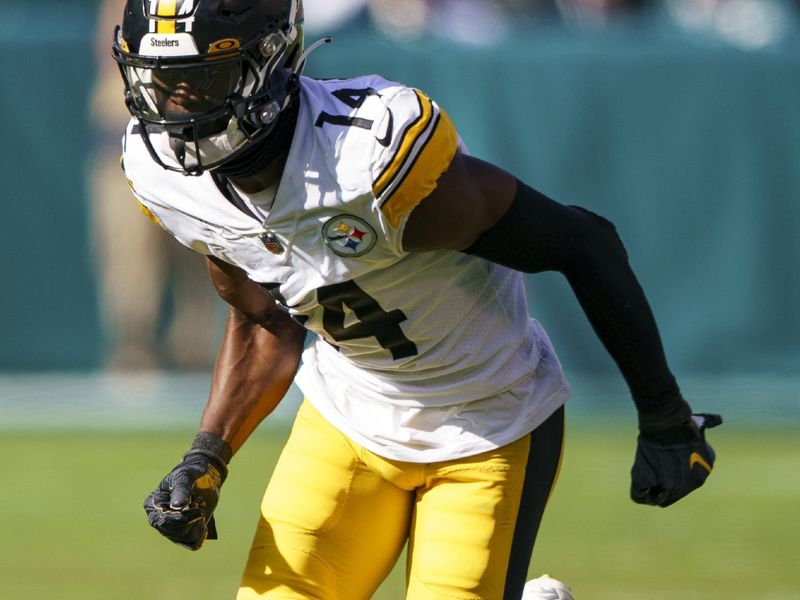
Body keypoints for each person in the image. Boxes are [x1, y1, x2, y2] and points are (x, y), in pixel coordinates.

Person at [112, 1, 722, 598]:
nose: (178, 108)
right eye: (163, 81)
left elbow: (585, 242)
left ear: (269, 63)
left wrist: (665, 420)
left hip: (488, 422)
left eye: (204, 79)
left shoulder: (368, 159)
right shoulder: (163, 175)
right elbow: (263, 318)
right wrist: (207, 456)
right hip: (347, 416)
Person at [90, 0, 218, 371]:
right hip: (128, 106)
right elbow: (109, 40)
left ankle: (196, 362)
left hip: (198, 106)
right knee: (129, 254)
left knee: (204, 253)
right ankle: (133, 358)